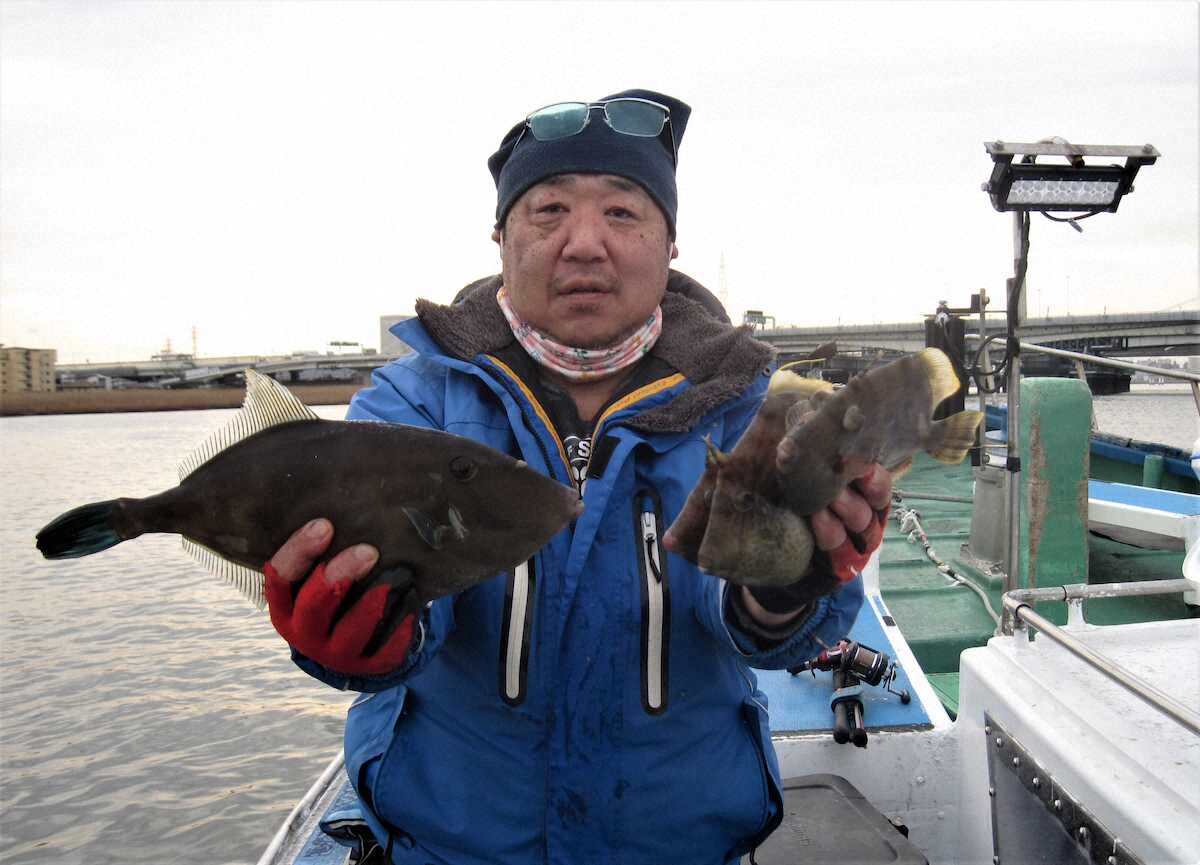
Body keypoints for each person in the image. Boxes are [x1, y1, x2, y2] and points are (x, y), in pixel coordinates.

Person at [262, 89, 892, 865]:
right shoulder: (411, 403)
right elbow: (411, 615)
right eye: (548, 211)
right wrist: (360, 635)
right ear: (501, 239)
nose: (585, 243)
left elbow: (742, 617)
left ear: (669, 243)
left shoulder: (751, 411)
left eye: (624, 213)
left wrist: (787, 586)